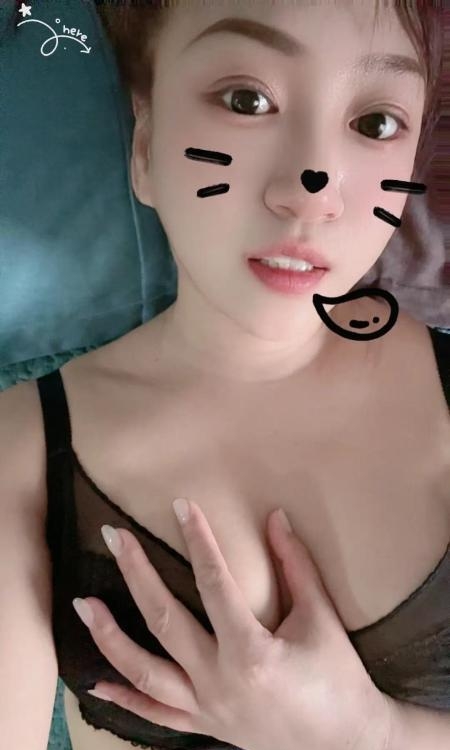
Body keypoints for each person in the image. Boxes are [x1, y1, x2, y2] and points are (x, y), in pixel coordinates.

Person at [1, 3, 448, 750]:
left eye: (375, 124)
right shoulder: (22, 448)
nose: (312, 190)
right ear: (146, 145)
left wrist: (368, 733)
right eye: (247, 100)